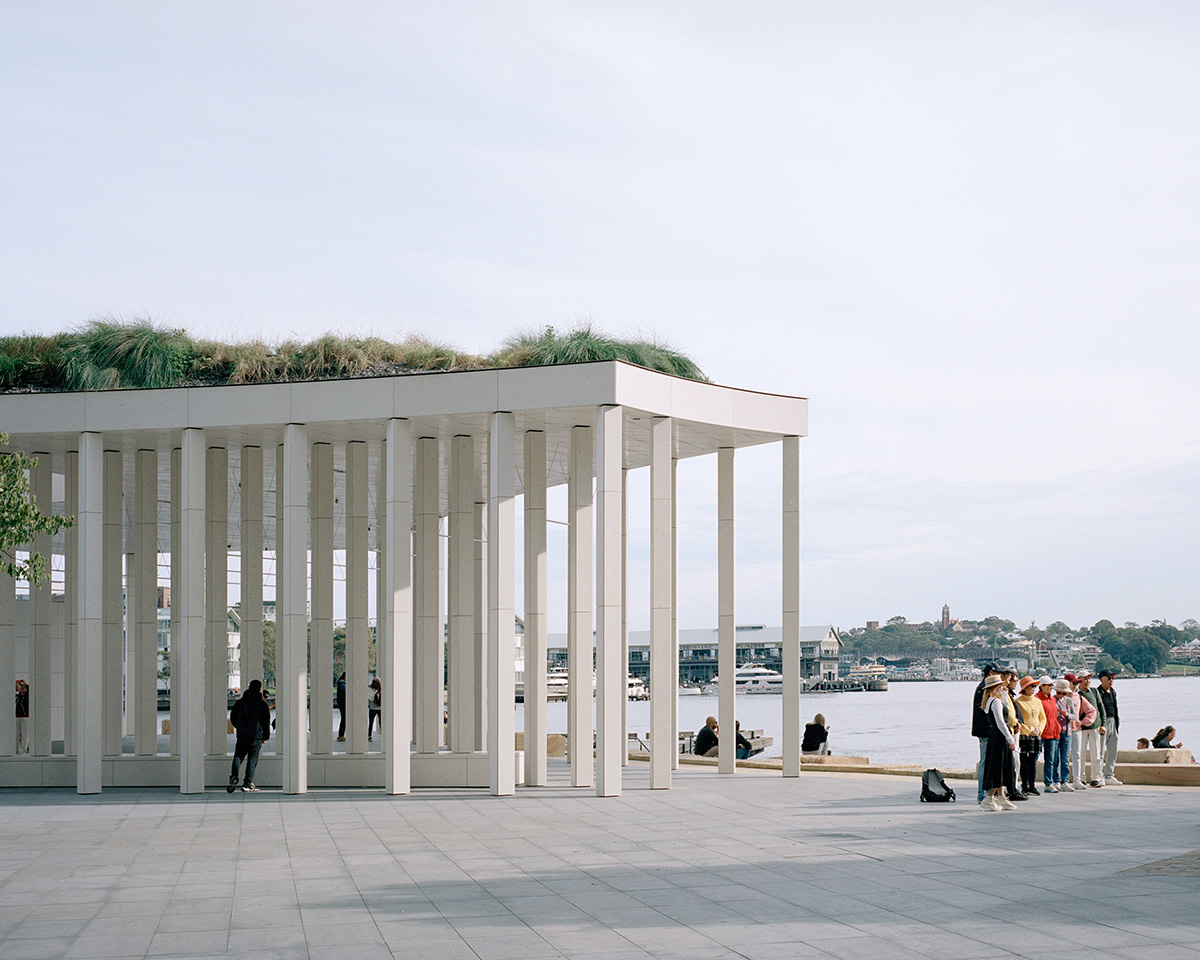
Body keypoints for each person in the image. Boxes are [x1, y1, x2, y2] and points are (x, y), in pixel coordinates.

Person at [979, 675, 1017, 811]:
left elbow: (1004, 710)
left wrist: (1005, 694)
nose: (1003, 687)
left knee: (1000, 766)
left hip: (994, 737)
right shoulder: (995, 702)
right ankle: (989, 798)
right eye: (1000, 686)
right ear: (995, 687)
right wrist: (1010, 739)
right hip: (1000, 737)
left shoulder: (989, 701)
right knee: (998, 767)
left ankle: (1001, 796)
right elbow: (1001, 722)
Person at [228, 679, 270, 793]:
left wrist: (240, 728)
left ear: (249, 687)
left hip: (242, 735)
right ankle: (247, 783)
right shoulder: (262, 705)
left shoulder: (240, 703)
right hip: (256, 736)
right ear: (260, 689)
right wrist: (265, 736)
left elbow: (233, 717)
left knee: (238, 756)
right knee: (252, 759)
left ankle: (233, 777)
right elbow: (265, 721)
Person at [971, 664, 1000, 804]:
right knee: (985, 761)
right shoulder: (984, 688)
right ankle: (982, 794)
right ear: (991, 673)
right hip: (985, 730)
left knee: (986, 761)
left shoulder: (981, 687)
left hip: (983, 729)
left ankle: (984, 793)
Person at [1015, 676, 1045, 796]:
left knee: (1033, 761)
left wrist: (1039, 730)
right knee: (1023, 761)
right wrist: (1028, 731)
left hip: (1036, 734)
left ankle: (1032, 785)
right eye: (1031, 686)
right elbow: (1018, 720)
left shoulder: (1037, 701)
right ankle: (1024, 785)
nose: (1033, 688)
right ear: (1025, 688)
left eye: (1034, 686)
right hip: (1023, 734)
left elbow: (1043, 717)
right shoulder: (1019, 701)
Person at [1076, 671, 1107, 787]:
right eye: (1085, 679)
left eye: (1089, 679)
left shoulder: (1094, 692)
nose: (1087, 681)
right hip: (1081, 729)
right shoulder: (1075, 693)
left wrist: (1103, 724)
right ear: (1079, 680)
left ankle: (1096, 777)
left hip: (1095, 727)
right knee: (1081, 754)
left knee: (1096, 754)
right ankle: (1082, 778)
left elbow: (1101, 708)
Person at [1035, 677, 1062, 793]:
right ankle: (1028, 783)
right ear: (1041, 686)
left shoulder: (1052, 699)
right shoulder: (1037, 699)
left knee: (1050, 760)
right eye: (1048, 685)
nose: (1051, 688)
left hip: (1052, 733)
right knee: (1033, 759)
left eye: (1052, 685)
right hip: (1041, 733)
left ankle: (1048, 783)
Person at [1096, 669, 1121, 784]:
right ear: (1102, 680)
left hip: (1113, 722)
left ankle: (1109, 775)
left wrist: (1117, 724)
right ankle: (1099, 775)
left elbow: (1115, 708)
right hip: (1103, 723)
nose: (1111, 680)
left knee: (1113, 750)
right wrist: (1101, 724)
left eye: (1112, 678)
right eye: (1109, 678)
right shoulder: (1097, 692)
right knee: (1100, 752)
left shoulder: (1113, 692)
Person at [1054, 679, 1077, 791]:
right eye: (1059, 693)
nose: (1061, 695)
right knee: (1055, 758)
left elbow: (1075, 716)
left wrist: (1067, 714)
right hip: (1056, 732)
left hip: (1067, 732)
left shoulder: (1068, 701)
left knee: (1065, 758)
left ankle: (1065, 781)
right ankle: (1056, 781)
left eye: (1063, 693)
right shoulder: (1052, 700)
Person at [14, 679, 29, 755]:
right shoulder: (18, 697)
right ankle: (16, 750)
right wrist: (18, 682)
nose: (22, 688)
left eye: (24, 687)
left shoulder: (27, 697)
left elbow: (29, 689)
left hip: (25, 717)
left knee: (24, 734)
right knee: (16, 734)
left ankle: (23, 750)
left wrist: (25, 684)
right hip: (16, 717)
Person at [367, 677, 382, 742]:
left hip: (372, 708)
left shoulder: (370, 689)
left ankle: (369, 736)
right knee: (381, 722)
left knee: (371, 722)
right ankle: (383, 735)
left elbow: (371, 699)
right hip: (380, 708)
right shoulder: (380, 689)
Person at [336, 672, 347, 742]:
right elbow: (347, 691)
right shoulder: (342, 684)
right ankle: (341, 735)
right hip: (343, 704)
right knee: (344, 719)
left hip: (341, 703)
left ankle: (341, 735)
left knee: (344, 719)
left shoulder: (341, 683)